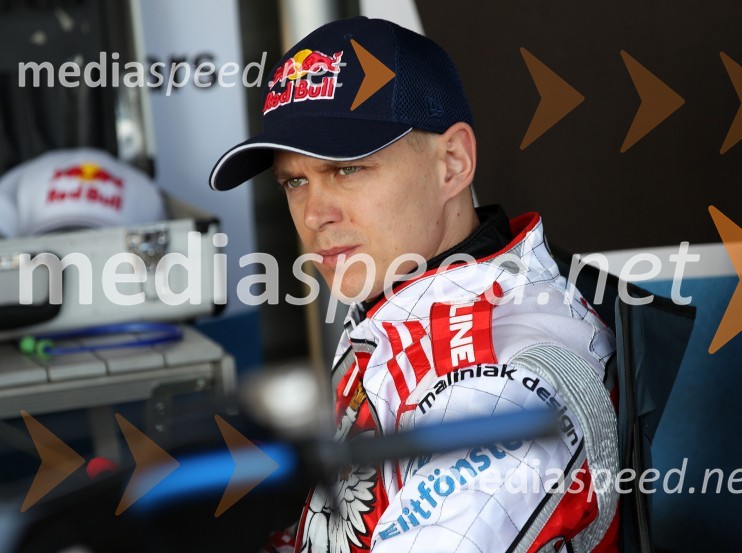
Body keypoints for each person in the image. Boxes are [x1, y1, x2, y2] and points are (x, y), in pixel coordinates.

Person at [210, 16, 619, 553]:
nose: (313, 214)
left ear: (453, 163)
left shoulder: (500, 385)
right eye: (295, 181)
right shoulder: (401, 305)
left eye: (347, 169)